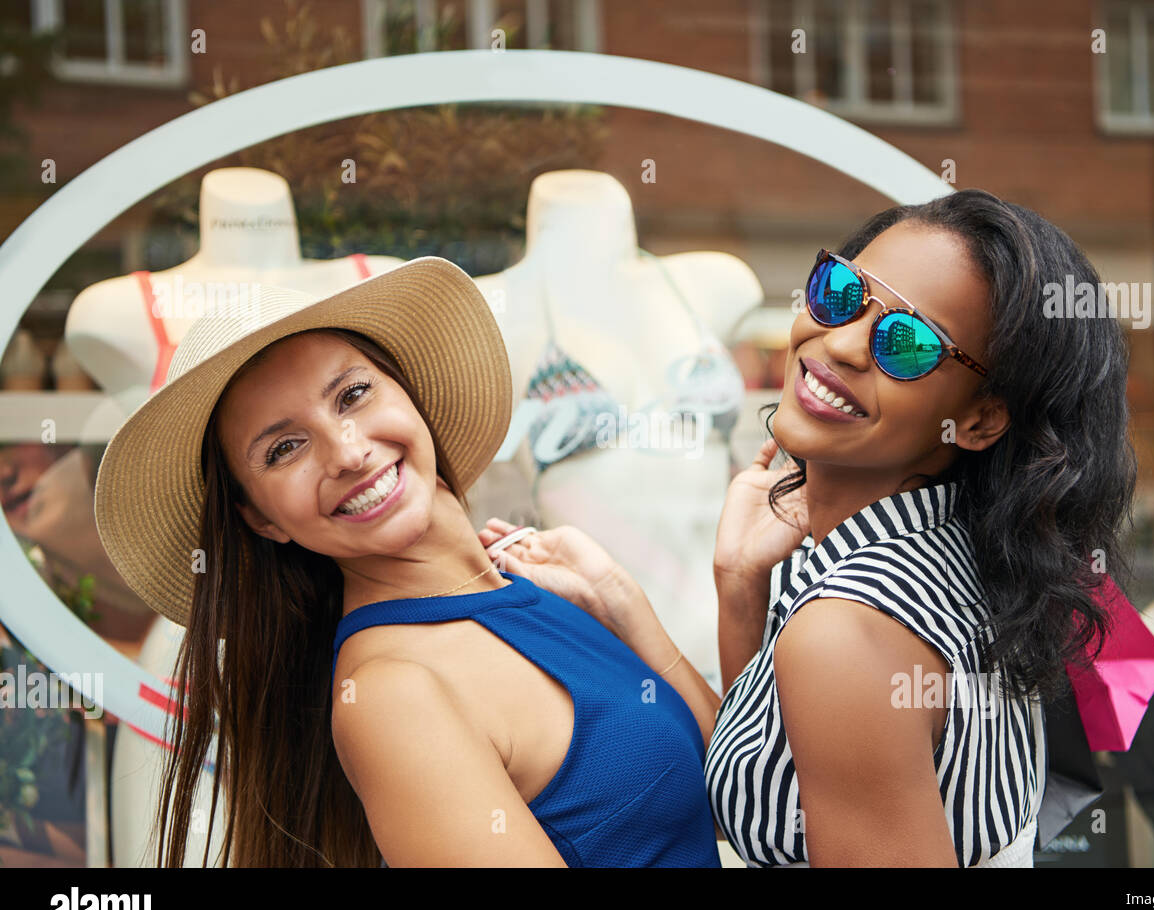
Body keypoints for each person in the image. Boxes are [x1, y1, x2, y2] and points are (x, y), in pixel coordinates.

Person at [480, 188, 1139, 867]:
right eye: (841, 291)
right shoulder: (947, 552)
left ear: (979, 420)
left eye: (907, 342)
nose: (844, 342)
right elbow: (779, 782)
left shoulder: (852, 626)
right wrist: (710, 589)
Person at [91, 257, 722, 867]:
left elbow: (734, 794)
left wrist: (622, 601)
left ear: (408, 390)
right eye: (284, 448)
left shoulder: (538, 590)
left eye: (352, 394)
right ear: (260, 518)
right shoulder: (393, 693)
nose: (347, 451)